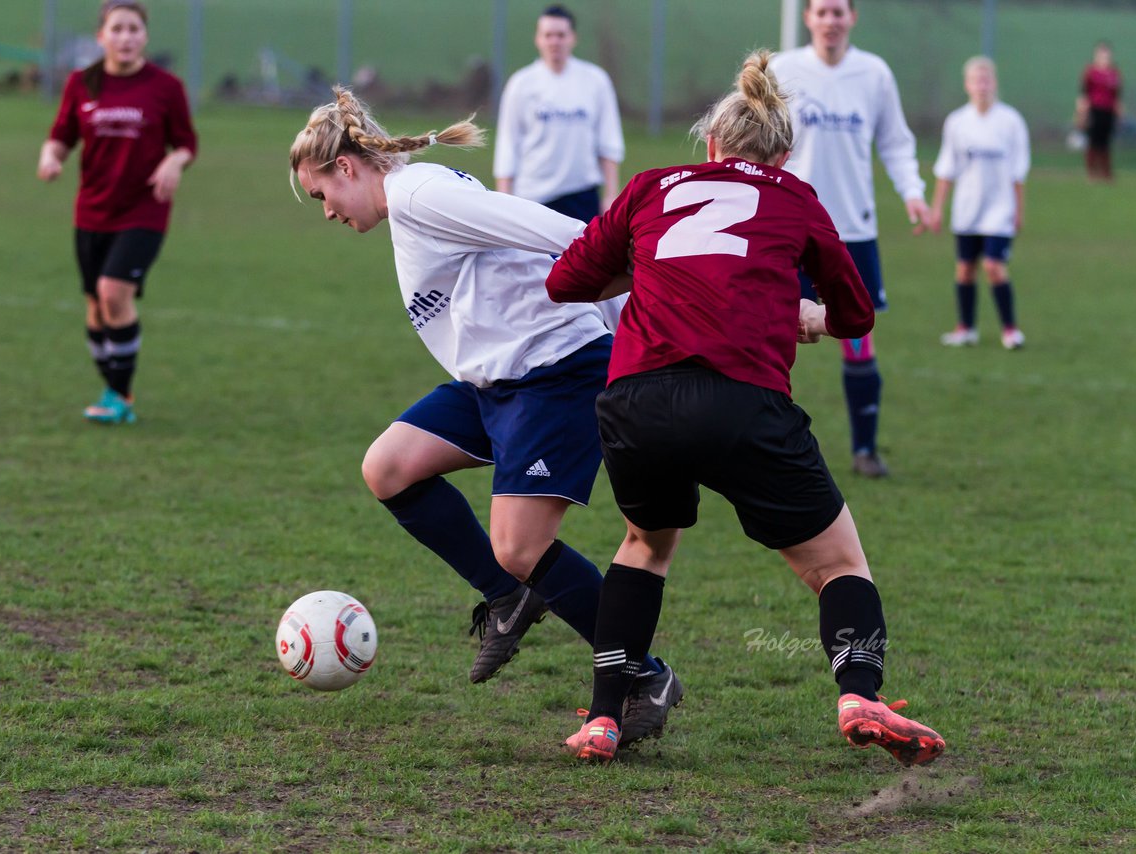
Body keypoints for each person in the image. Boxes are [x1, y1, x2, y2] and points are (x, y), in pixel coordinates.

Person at [546, 50, 945, 768]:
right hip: (742, 403)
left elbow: (565, 281)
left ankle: (604, 717)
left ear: (710, 145)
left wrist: (652, 270)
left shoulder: (648, 188)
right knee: (838, 563)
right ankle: (858, 691)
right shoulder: (794, 198)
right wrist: (811, 317)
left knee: (644, 545)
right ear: (786, 155)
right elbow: (857, 313)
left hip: (637, 401)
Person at [288, 87, 681, 747]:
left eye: (322, 194)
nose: (325, 211)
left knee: (522, 545)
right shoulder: (410, 200)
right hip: (492, 382)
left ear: (347, 168)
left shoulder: (421, 195)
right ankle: (507, 596)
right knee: (389, 468)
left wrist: (634, 300)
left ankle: (646, 675)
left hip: (553, 372)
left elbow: (560, 234)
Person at [770, 0, 934, 478]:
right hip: (787, 228)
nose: (830, 20)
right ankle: (765, 449)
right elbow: (756, 136)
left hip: (851, 231)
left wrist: (914, 194)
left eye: (839, 11)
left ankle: (865, 450)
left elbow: (896, 142)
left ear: (852, 18)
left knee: (857, 336)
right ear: (808, 19)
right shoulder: (783, 70)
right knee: (772, 337)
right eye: (822, 11)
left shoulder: (874, 74)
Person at [37, 0, 197, 425]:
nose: (125, 37)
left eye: (134, 29)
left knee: (112, 293)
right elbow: (60, 136)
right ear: (101, 36)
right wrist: (50, 157)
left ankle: (119, 395)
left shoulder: (165, 87)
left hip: (144, 209)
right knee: (94, 306)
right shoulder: (81, 83)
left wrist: (173, 162)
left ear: (144, 36)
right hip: (92, 210)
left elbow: (186, 142)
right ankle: (111, 387)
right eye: (117, 29)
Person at [931, 57, 1030, 351]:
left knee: (994, 266)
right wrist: (937, 208)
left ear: (994, 83)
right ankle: (966, 329)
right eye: (976, 80)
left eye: (987, 79)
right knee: (964, 270)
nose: (982, 85)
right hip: (967, 210)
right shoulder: (957, 122)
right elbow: (946, 169)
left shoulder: (1011, 121)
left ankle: (1010, 330)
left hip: (1000, 210)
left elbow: (1018, 172)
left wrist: (1019, 211)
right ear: (967, 85)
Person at [493, 5, 625, 223]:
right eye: (548, 35)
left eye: (561, 35)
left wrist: (611, 194)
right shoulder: (521, 84)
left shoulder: (595, 80)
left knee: (583, 256)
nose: (554, 42)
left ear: (573, 38)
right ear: (538, 39)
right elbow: (508, 145)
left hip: (581, 195)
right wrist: (505, 200)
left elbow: (609, 141)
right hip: (533, 197)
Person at [1075, 41, 1123, 182]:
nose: (1104, 57)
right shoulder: (1090, 72)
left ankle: (1106, 172)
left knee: (1105, 141)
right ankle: (1092, 172)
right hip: (1094, 109)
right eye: (1101, 54)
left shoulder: (1114, 73)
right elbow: (1084, 92)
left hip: (1108, 110)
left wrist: (1119, 112)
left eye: (1106, 54)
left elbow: (1117, 94)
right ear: (1096, 55)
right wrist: (1081, 112)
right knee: (1093, 141)